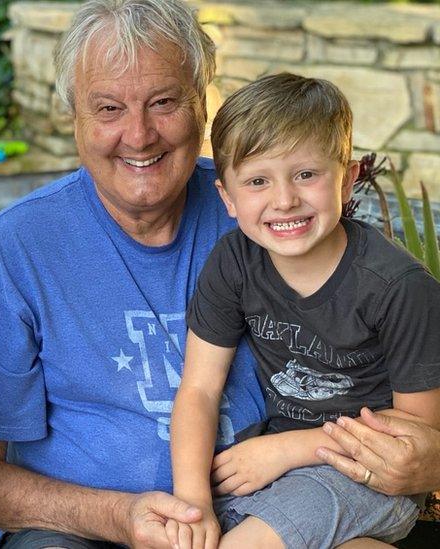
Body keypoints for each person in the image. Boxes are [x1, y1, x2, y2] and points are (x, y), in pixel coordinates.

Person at [0, 1, 440, 548]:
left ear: (203, 105)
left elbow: (404, 407)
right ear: (74, 118)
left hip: (268, 504)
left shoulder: (272, 217)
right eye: (108, 108)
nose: (139, 135)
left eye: (163, 102)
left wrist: (427, 463)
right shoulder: (20, 246)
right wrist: (115, 516)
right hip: (79, 530)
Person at [170, 73, 440, 549]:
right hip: (278, 474)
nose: (285, 199)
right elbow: (198, 389)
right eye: (257, 181)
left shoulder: (398, 288)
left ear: (348, 179)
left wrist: (288, 449)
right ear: (228, 198)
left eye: (306, 174)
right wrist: (192, 506)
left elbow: (416, 436)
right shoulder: (235, 262)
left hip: (367, 475)